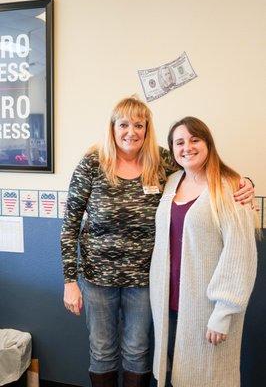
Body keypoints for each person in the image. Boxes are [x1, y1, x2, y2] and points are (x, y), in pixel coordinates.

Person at [61, 98, 254, 387]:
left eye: (139, 125)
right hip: (98, 278)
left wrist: (245, 182)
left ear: (147, 129)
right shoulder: (93, 163)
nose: (131, 132)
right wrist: (69, 280)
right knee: (102, 351)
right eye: (124, 124)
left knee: (137, 351)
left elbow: (203, 171)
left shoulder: (162, 161)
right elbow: (71, 224)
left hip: (145, 280)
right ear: (112, 128)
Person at [149, 116, 258, 387]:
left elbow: (240, 256)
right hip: (169, 305)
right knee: (174, 374)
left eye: (195, 139)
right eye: (179, 142)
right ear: (172, 149)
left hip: (207, 309)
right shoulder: (172, 181)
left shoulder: (229, 187)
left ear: (208, 143)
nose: (187, 147)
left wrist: (223, 313)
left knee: (208, 377)